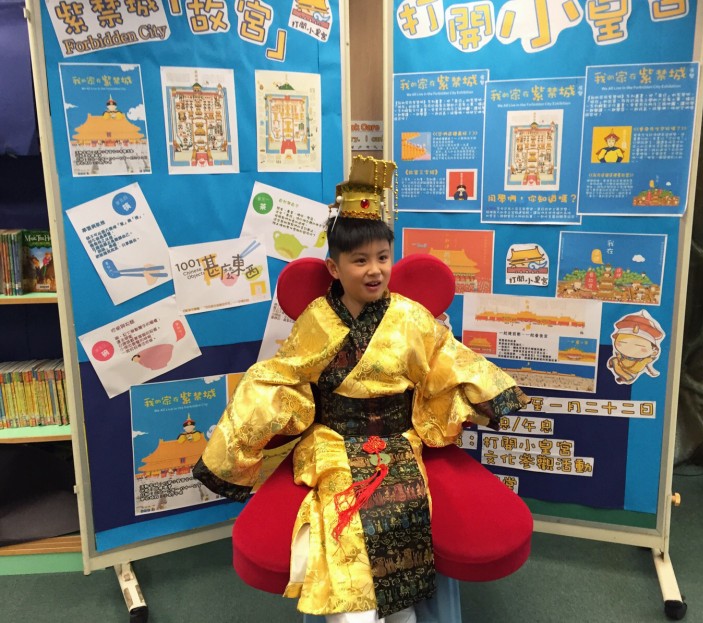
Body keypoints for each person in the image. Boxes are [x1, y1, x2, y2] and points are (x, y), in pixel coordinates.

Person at [193, 156, 529, 623]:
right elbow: (281, 375)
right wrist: (241, 438)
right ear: (333, 267)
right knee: (344, 540)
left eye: (382, 258)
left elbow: (448, 359)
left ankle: (400, 613)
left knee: (401, 537)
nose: (374, 270)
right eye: (359, 260)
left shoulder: (411, 316)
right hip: (334, 444)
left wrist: (489, 391)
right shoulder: (317, 319)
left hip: (397, 443)